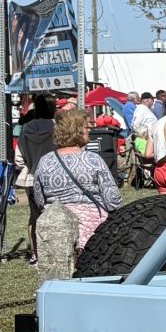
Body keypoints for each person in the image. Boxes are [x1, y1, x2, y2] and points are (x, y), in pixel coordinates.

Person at [32, 108, 123, 252]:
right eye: (87, 127)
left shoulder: (45, 161)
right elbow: (113, 201)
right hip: (90, 228)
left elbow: (39, 199)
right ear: (77, 130)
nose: (90, 130)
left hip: (55, 226)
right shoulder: (93, 159)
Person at [20, 94, 58, 265]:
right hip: (55, 176)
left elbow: (19, 158)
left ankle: (35, 253)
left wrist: (30, 164)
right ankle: (53, 251)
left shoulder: (26, 128)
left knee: (35, 217)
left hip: (32, 175)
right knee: (55, 215)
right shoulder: (57, 127)